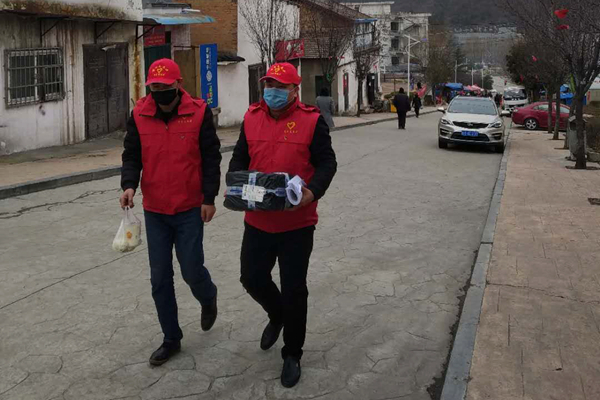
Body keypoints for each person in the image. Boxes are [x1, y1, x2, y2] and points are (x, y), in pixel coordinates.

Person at [228, 62, 337, 388]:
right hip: (258, 219)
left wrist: (312, 191)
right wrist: (236, 182)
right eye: (268, 85)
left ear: (294, 89)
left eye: (279, 86)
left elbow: (327, 163)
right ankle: (277, 314)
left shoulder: (312, 121)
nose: (272, 91)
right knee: (251, 277)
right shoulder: (251, 117)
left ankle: (292, 353)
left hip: (296, 223)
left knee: (294, 288)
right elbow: (239, 157)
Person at [120, 59, 221, 366]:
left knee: (191, 270)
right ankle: (171, 338)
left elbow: (211, 157)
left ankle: (208, 296)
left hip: (189, 207)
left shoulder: (199, 113)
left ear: (178, 85)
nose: (159, 92)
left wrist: (209, 198)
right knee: (160, 278)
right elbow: (132, 154)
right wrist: (128, 185)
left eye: (165, 87)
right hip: (155, 210)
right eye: (154, 87)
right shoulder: (139, 114)